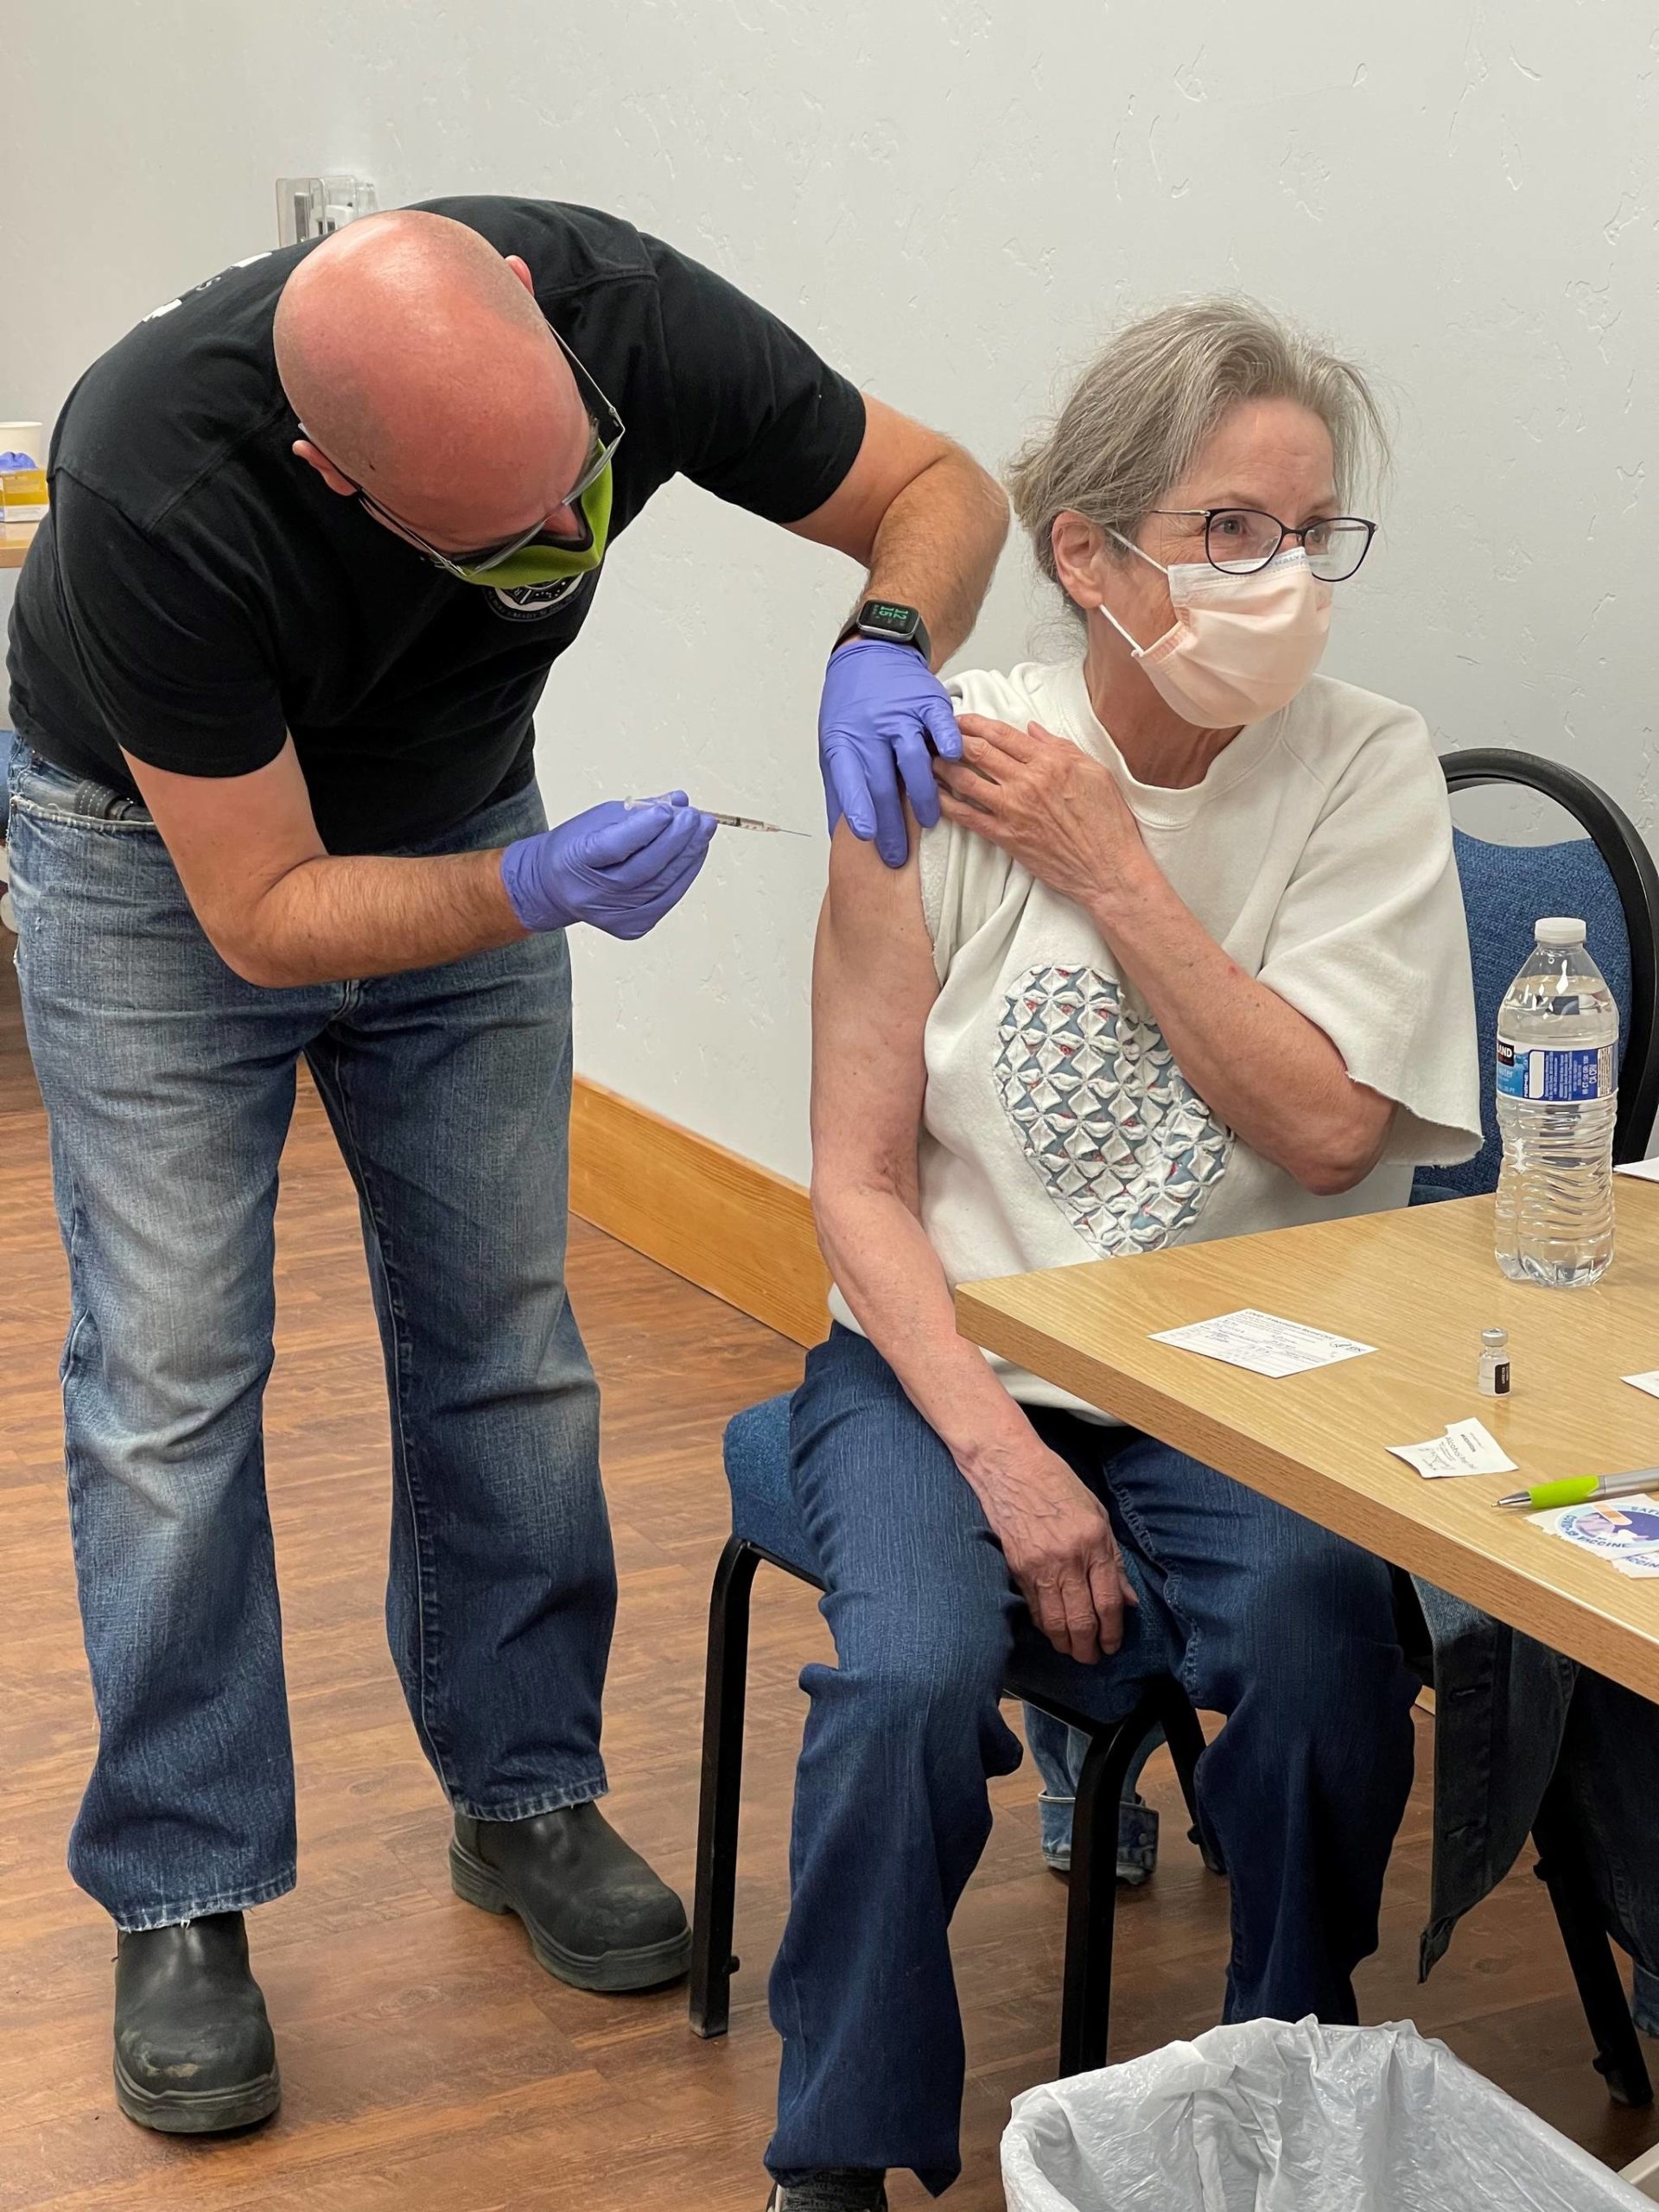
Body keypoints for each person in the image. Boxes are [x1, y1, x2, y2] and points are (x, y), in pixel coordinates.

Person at [3, 199, 1007, 2135]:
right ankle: (183, 1885)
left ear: (556, 341)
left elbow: (940, 484)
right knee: (169, 1383)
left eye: (584, 499)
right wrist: (526, 892)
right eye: (502, 542)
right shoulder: (148, 489)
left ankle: (526, 1788)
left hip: (458, 803)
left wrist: (886, 635)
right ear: (329, 474)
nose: (564, 557)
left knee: (508, 1336)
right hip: (170, 867)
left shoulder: (617, 302)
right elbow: (272, 912)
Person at [765, 298, 1483, 2209]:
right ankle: (834, 2151)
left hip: (1243, 1368)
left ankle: (1284, 2067)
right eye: (1230, 530)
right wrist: (1005, 1463)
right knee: (910, 1681)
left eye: (1314, 532)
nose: (1285, 576)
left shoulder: (1364, 766)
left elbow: (1329, 1128)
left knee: (1332, 1649)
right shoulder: (938, 757)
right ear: (1086, 554)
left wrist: (1114, 867)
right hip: (944, 1359)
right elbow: (855, 1179)